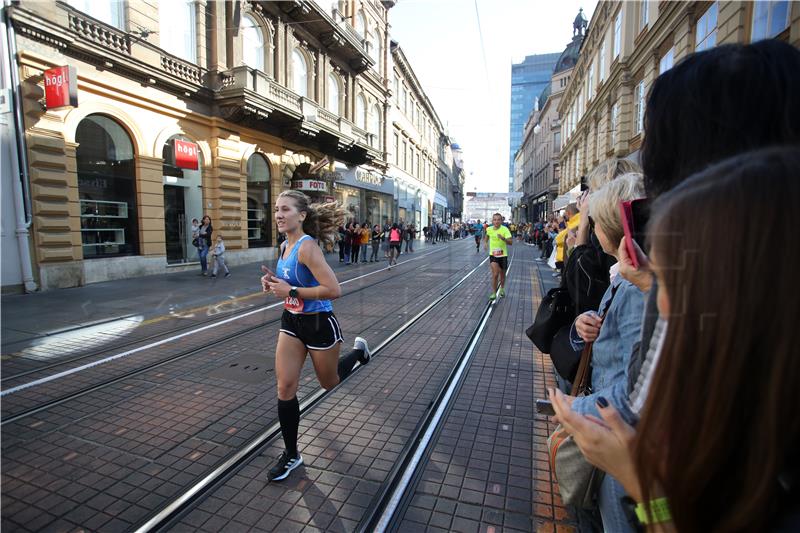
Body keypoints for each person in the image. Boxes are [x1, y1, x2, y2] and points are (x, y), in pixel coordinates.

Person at [551, 147, 800, 532]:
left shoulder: (731, 440)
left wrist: (638, 483)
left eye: (673, 272)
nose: (659, 295)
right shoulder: (754, 416)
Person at [261, 191, 371, 482]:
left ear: (302, 216)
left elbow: (334, 289)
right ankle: (292, 454)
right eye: (276, 210)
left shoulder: (308, 248)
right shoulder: (285, 246)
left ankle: (359, 354)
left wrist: (292, 291)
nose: (279, 215)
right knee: (285, 387)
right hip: (292, 322)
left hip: (320, 323)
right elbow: (290, 283)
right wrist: (273, 283)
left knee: (329, 381)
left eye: (285, 209)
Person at [483, 213, 512, 301]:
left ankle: (502, 288)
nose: (496, 221)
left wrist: (503, 239)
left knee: (502, 275)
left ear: (501, 221)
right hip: (493, 255)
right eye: (495, 220)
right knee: (495, 274)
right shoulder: (489, 229)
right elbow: (487, 236)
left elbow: (510, 242)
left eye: (498, 220)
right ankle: (494, 293)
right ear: (492, 221)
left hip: (503, 255)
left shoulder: (505, 229)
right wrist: (485, 243)